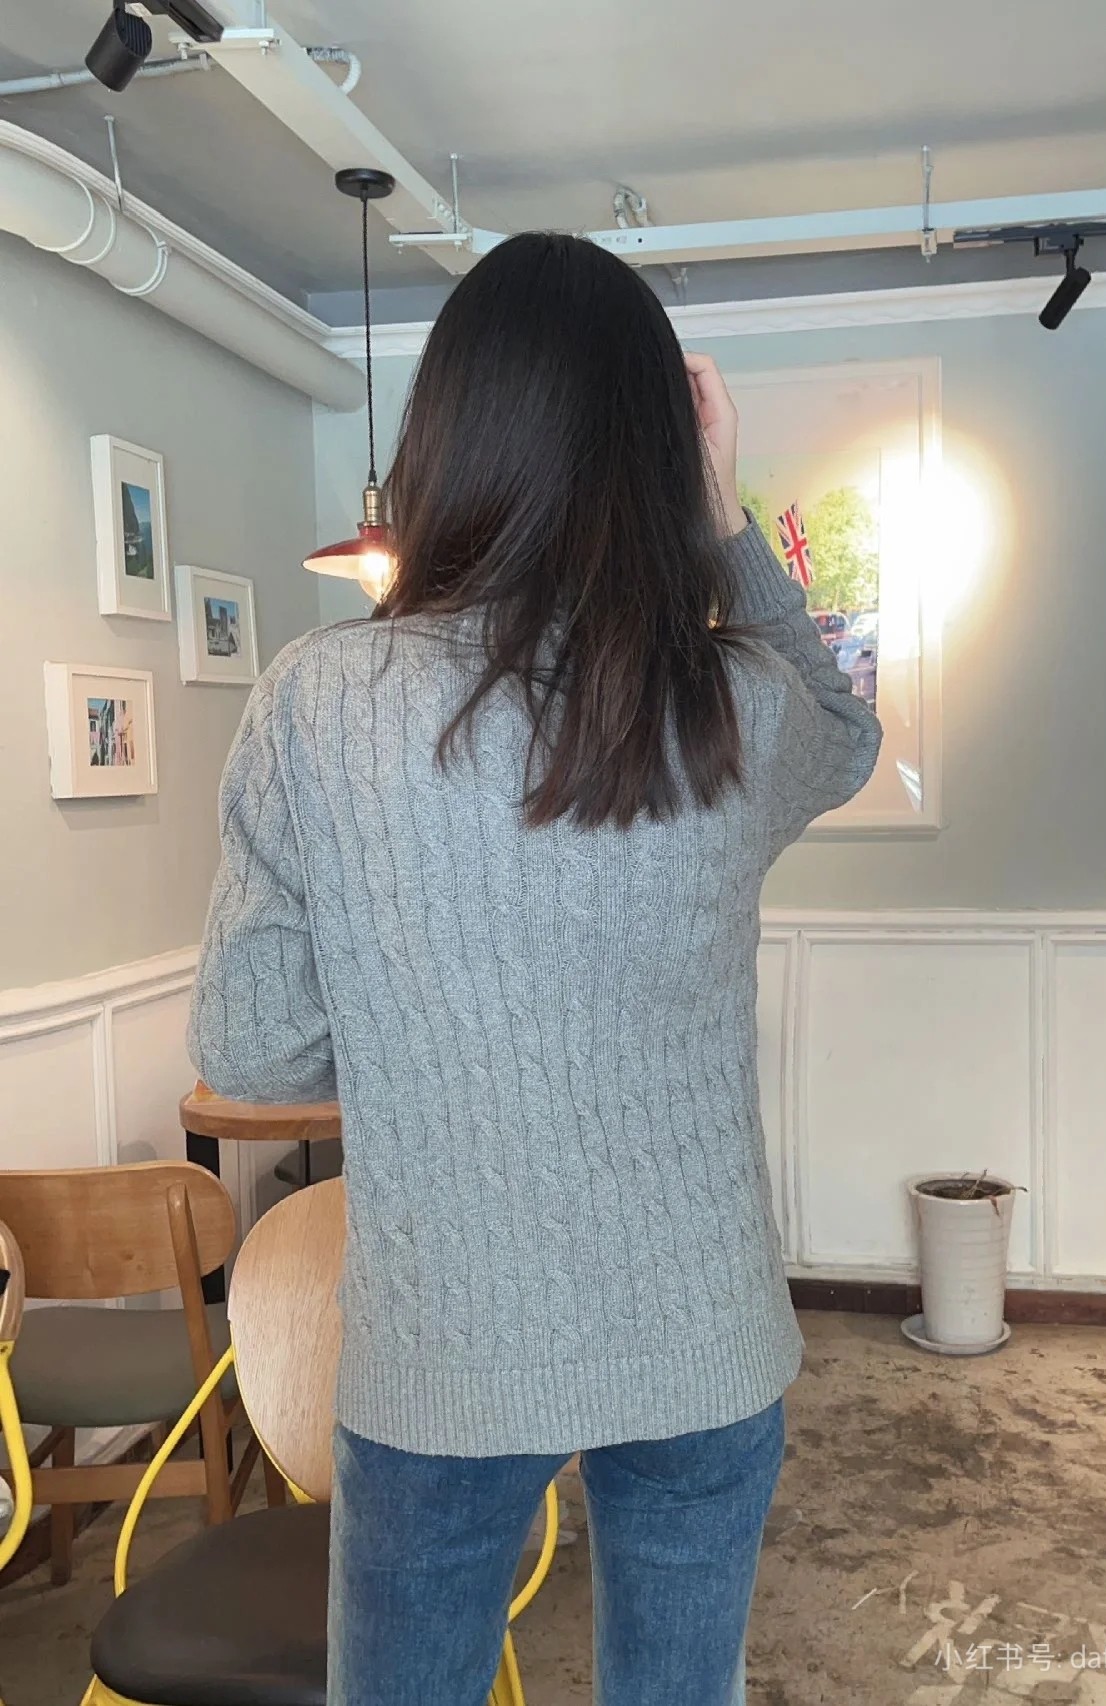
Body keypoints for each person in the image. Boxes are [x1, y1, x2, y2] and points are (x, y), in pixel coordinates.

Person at [188, 231, 882, 1706]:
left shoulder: (321, 701)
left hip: (442, 1346)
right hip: (702, 1340)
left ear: (442, 431)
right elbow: (847, 727)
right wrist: (722, 518)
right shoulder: (731, 703)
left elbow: (248, 1050)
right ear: (659, 453)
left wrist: (423, 1030)